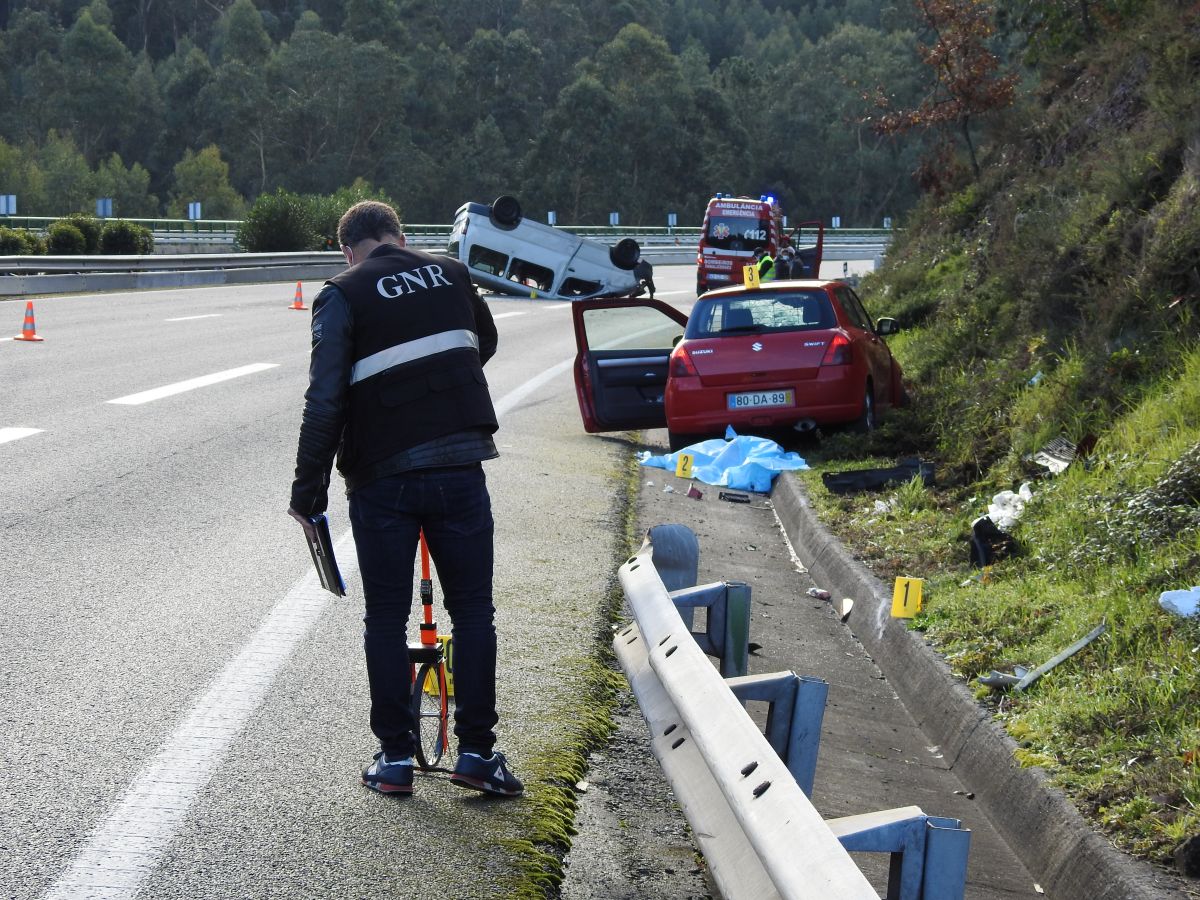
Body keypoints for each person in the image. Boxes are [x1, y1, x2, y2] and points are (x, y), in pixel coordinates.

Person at [288, 200, 523, 798]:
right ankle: (477, 754)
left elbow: (325, 400)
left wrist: (307, 490)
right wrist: (433, 391)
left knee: (386, 620)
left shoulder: (342, 293)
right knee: (473, 614)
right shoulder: (450, 271)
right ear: (400, 235)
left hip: (383, 477)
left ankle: (394, 759)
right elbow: (482, 342)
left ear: (349, 249)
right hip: (460, 466)